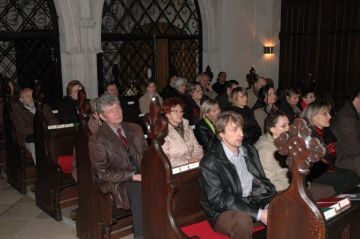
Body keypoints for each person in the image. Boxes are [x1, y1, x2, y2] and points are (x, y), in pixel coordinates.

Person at [199, 111, 276, 239]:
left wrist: (268, 202)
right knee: (242, 220)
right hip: (223, 211)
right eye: (234, 130)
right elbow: (219, 200)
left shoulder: (249, 150)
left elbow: (261, 181)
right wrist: (259, 214)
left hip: (252, 200)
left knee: (284, 203)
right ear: (221, 134)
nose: (241, 134)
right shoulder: (210, 162)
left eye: (241, 128)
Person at [89, 94, 148, 238]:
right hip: (115, 182)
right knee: (138, 188)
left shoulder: (135, 128)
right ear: (102, 116)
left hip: (139, 174)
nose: (117, 112)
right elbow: (102, 173)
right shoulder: (98, 139)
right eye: (111, 110)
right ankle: (140, 236)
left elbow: (147, 154)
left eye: (118, 107)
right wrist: (132, 176)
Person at [302, 99, 359, 194]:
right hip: (313, 173)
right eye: (325, 114)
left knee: (353, 175)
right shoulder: (308, 135)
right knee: (348, 179)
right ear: (313, 116)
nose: (330, 116)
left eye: (329, 113)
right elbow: (312, 162)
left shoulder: (326, 132)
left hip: (326, 168)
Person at [12, 88, 58, 164]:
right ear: (21, 100)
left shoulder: (44, 107)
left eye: (32, 95)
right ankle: (42, 170)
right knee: (35, 144)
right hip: (30, 138)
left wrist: (46, 128)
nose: (31, 98)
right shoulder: (18, 112)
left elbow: (55, 121)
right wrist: (40, 128)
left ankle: (58, 167)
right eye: (27, 96)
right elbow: (23, 129)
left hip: (48, 135)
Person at [161, 97, 203, 167]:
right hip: (176, 170)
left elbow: (197, 147)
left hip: (194, 166)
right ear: (167, 114)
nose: (180, 114)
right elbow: (165, 159)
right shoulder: (163, 132)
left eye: (181, 111)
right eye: (176, 111)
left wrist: (196, 158)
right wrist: (187, 162)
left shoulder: (187, 127)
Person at [331, 89, 360, 176]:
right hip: (346, 159)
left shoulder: (352, 112)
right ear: (358, 100)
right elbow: (354, 149)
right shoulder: (346, 118)